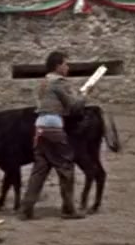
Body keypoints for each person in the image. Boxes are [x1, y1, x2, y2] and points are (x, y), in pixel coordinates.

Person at [20, 51, 87, 221]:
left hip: (40, 127)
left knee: (39, 170)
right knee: (65, 167)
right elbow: (73, 106)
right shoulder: (59, 83)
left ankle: (26, 209)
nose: (67, 67)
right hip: (54, 126)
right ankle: (68, 209)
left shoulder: (43, 83)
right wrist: (84, 95)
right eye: (65, 64)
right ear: (58, 66)